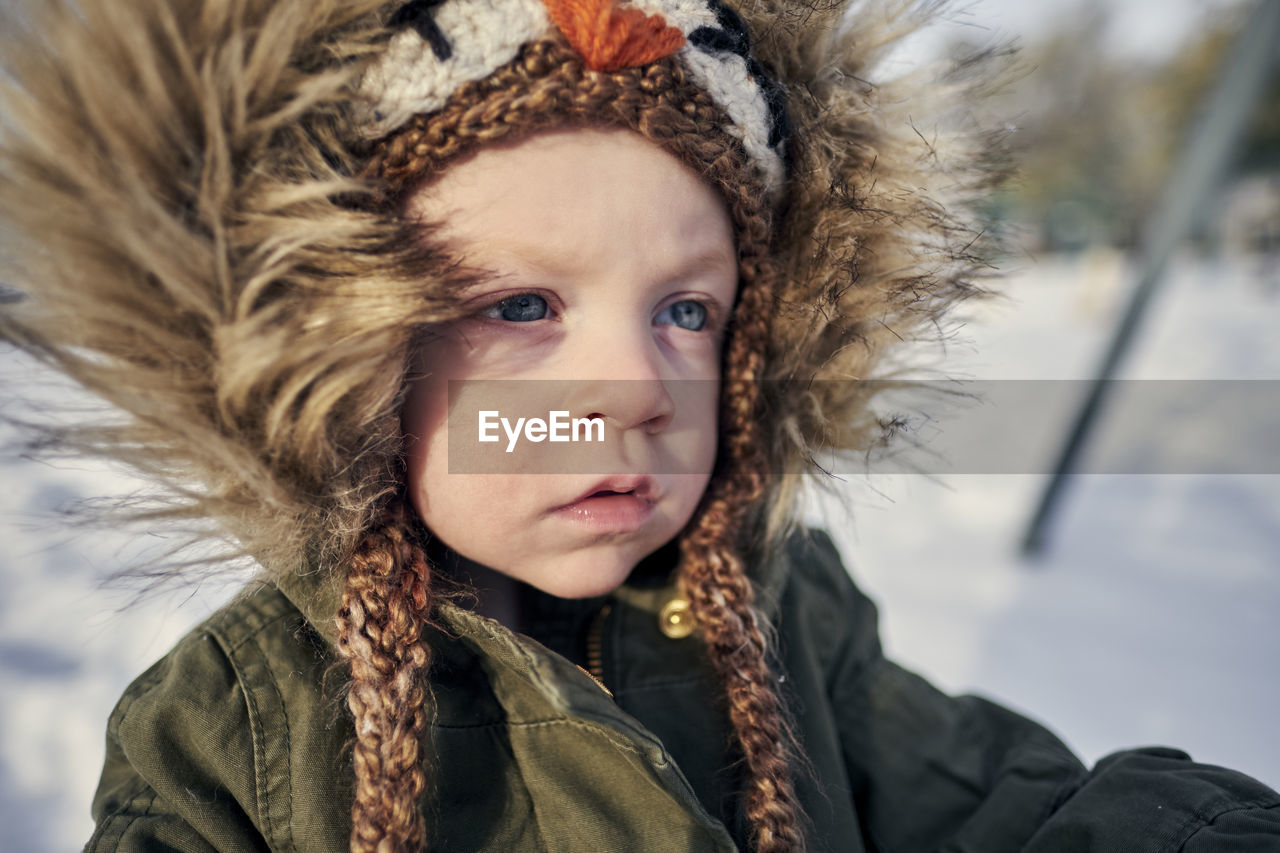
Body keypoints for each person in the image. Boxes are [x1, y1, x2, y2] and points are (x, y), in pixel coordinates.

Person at [0, 0, 1276, 851]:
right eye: (517, 302)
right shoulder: (234, 725)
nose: (635, 389)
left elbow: (1009, 810)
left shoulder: (786, 617)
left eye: (684, 309)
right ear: (332, 350)